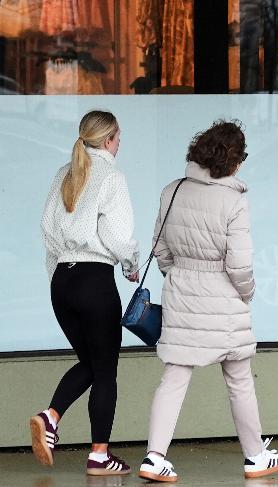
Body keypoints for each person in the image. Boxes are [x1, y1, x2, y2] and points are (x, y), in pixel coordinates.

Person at [138, 120, 278, 483]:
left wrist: (181, 275)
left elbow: (160, 249)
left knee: (174, 377)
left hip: (181, 292)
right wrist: (247, 292)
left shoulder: (172, 191)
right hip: (224, 299)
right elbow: (239, 265)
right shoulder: (234, 200)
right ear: (234, 161)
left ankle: (154, 457)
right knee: (239, 379)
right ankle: (255, 457)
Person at [33, 110, 140, 476]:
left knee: (91, 363)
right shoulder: (111, 175)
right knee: (106, 369)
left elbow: (47, 233)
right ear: (109, 140)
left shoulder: (63, 173)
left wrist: (58, 278)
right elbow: (117, 234)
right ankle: (99, 455)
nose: (120, 144)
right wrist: (130, 264)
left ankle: (50, 417)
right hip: (95, 280)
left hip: (63, 281)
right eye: (119, 137)